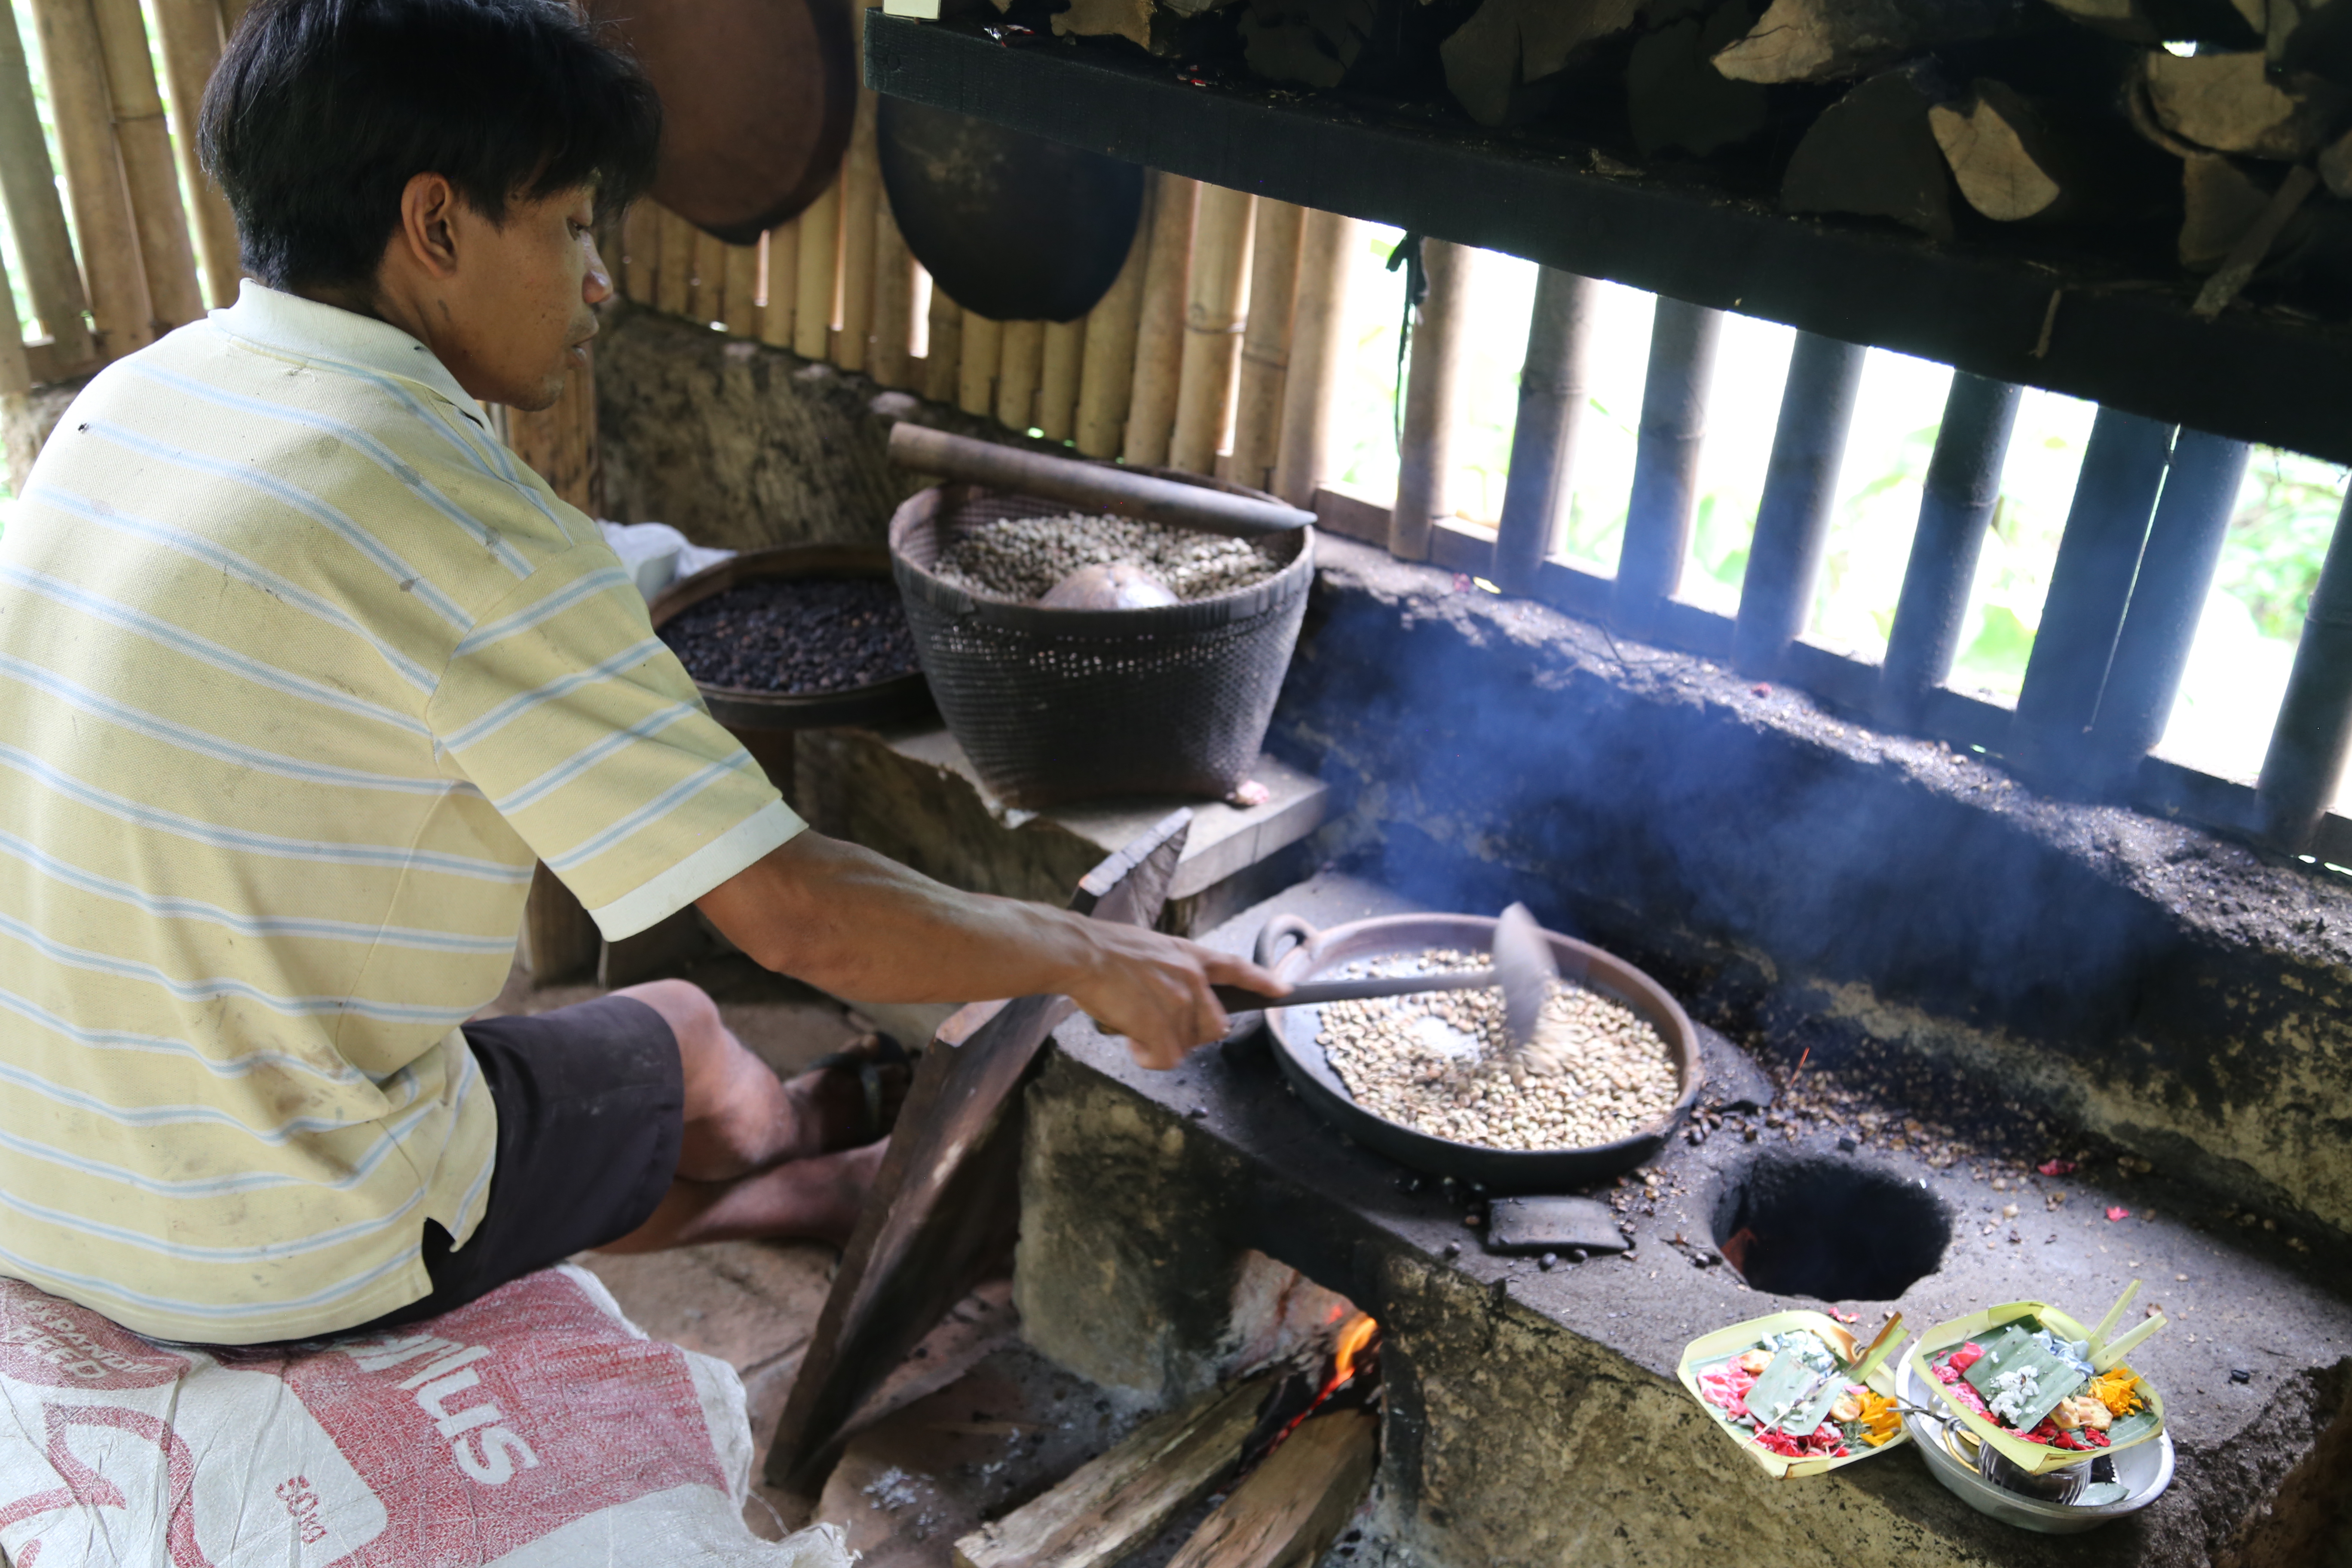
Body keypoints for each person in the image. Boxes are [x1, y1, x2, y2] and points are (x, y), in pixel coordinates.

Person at [0, 0, 1280, 1348]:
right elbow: (800, 919)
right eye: (571, 226)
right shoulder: (471, 527)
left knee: (584, 1093)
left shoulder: (138, 397)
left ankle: (800, 1176)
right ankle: (815, 1158)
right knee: (679, 1029)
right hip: (258, 1235)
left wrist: (666, 566)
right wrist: (1091, 953)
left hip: (42, 1162)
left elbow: (405, 584)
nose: (599, 281)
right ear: (436, 226)